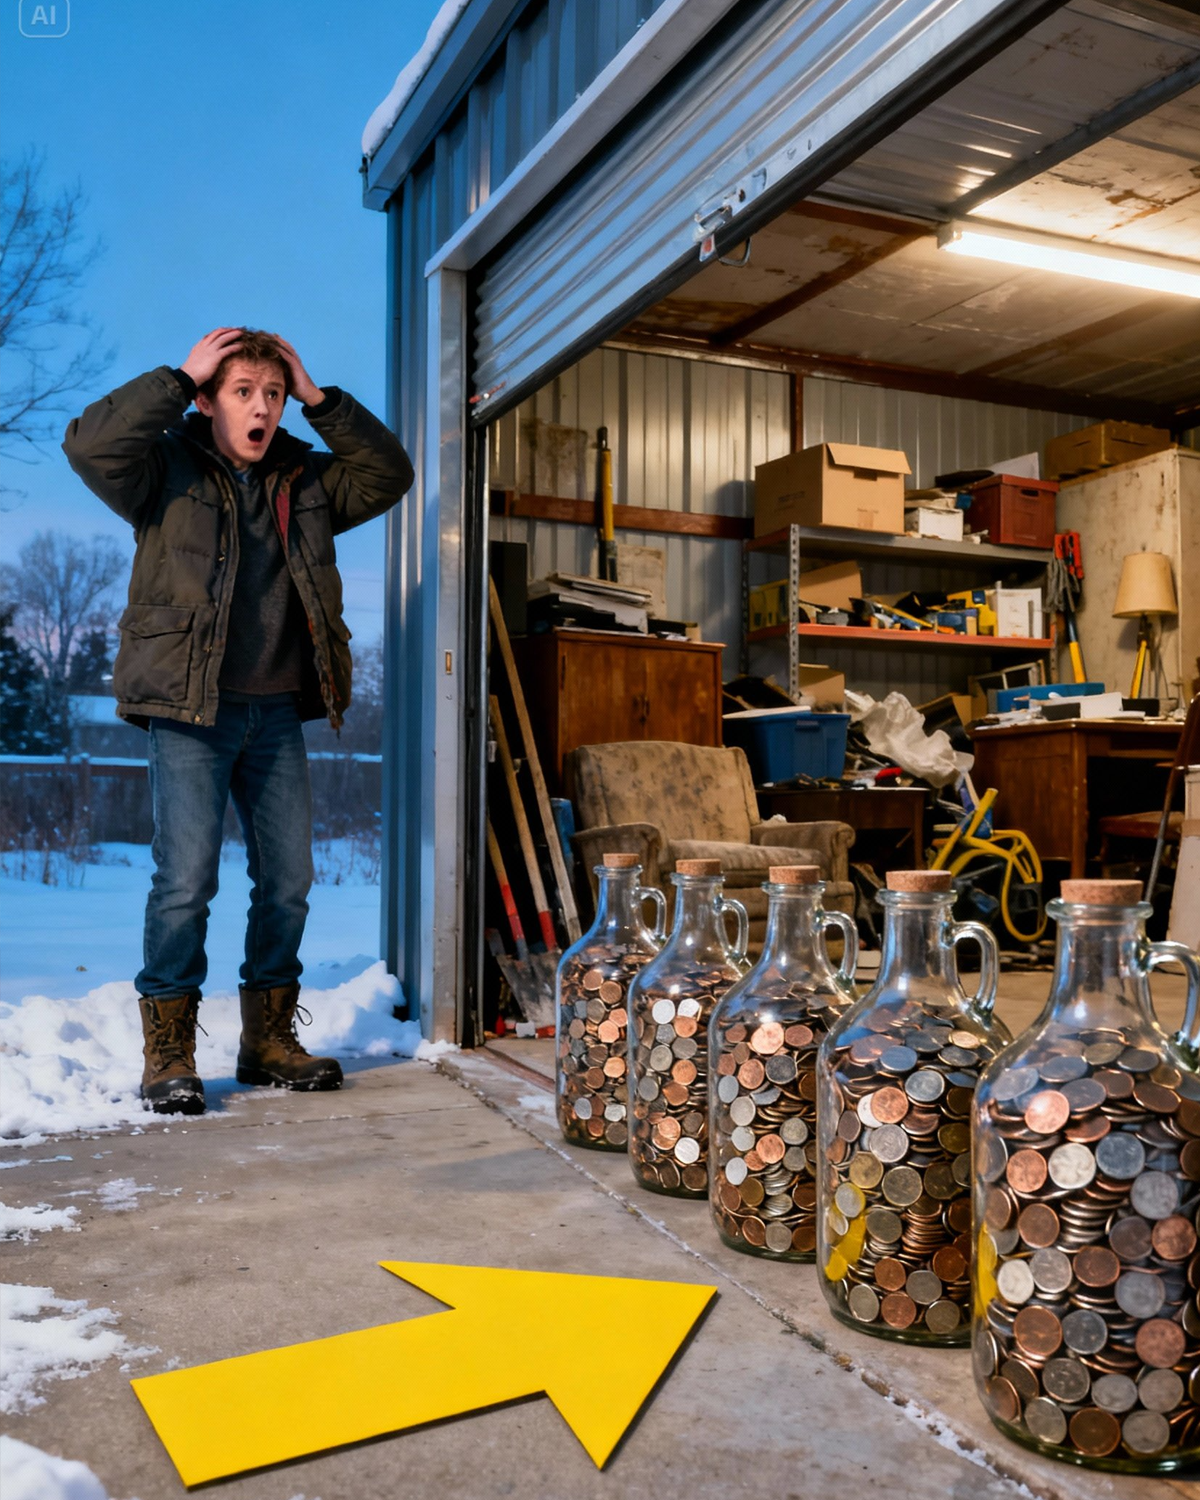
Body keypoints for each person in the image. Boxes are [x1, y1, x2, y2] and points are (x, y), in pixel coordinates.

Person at [63, 328, 413, 1115]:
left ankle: (268, 1040)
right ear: (208, 400)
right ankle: (170, 1053)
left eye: (274, 393)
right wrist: (175, 373)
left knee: (288, 883)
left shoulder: (306, 478)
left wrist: (322, 401)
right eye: (242, 391)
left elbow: (389, 473)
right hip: (190, 712)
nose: (262, 407)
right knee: (186, 882)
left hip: (276, 711)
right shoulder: (162, 469)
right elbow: (88, 446)